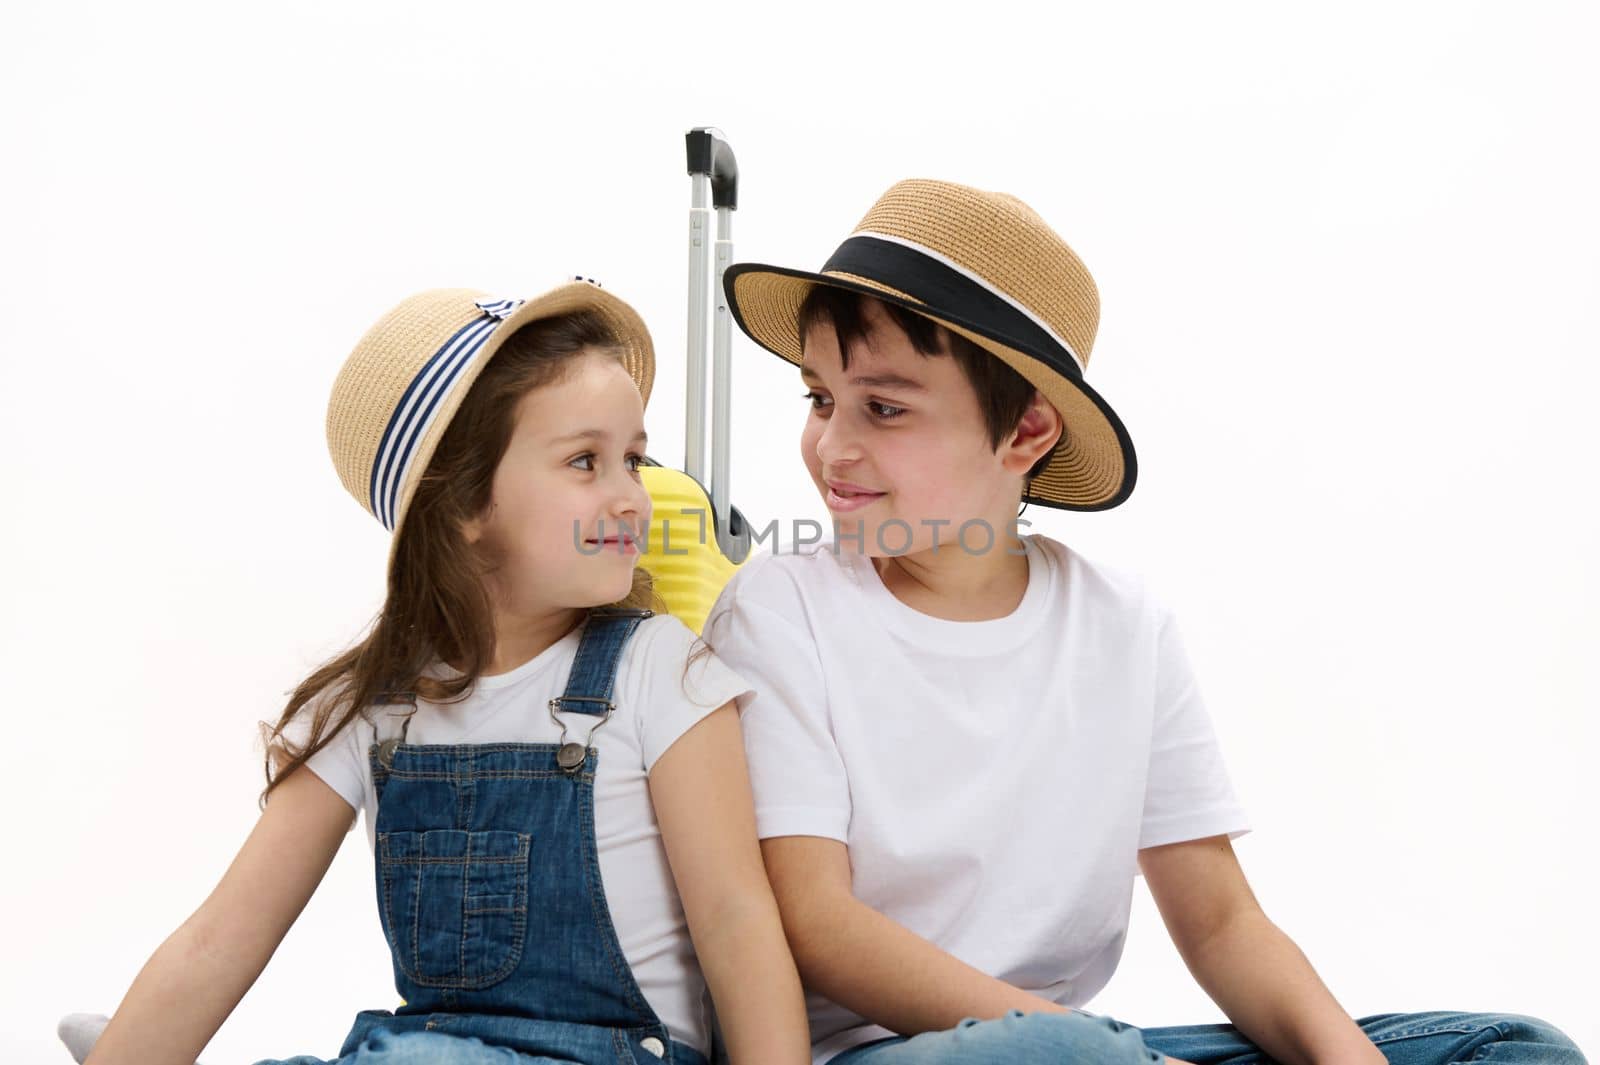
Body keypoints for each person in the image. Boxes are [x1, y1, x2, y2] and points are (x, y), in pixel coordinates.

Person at [701, 180, 1585, 1065]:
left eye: (883, 408)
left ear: (1027, 433)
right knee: (1064, 1058)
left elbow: (1224, 921)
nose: (833, 446)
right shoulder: (783, 609)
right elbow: (818, 924)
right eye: (819, 399)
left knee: (1515, 1048)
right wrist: (1091, 1047)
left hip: (1098, 1051)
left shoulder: (1123, 625)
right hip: (903, 1053)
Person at [82, 282, 810, 1065]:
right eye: (585, 461)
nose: (633, 495)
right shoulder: (372, 706)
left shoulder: (662, 669)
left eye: (631, 458)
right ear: (464, 504)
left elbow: (738, 923)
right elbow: (220, 938)